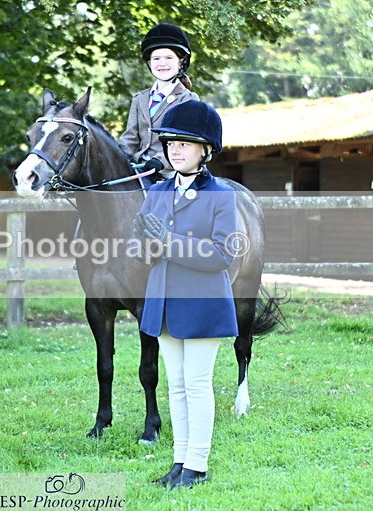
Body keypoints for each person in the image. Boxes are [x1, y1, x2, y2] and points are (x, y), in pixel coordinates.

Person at [131, 100, 238, 488]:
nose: (175, 149)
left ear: (206, 150)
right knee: (175, 385)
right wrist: (142, 245)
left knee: (196, 383)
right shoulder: (157, 191)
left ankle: (198, 464)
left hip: (202, 303)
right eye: (171, 143)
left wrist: (169, 241)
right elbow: (139, 247)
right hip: (163, 303)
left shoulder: (222, 195)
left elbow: (224, 254)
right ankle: (179, 461)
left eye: (186, 143)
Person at [119, 23, 200, 183]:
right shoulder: (139, 99)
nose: (162, 63)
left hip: (171, 170)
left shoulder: (188, 99)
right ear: (149, 63)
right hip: (138, 168)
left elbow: (186, 139)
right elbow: (130, 137)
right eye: (156, 58)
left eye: (169, 58)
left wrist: (161, 161)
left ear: (181, 61)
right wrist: (118, 156)